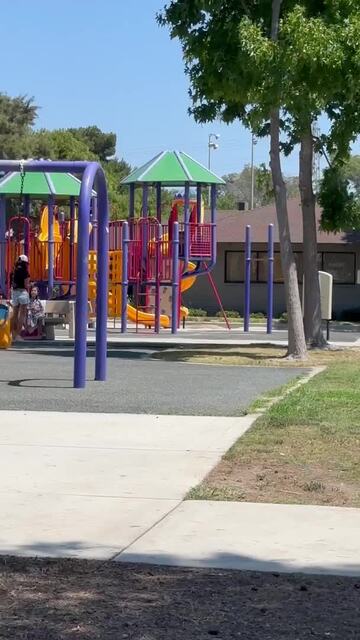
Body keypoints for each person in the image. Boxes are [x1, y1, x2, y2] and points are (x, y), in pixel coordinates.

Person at [10, 255, 30, 341]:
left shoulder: (13, 271)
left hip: (14, 293)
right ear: (25, 263)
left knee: (14, 314)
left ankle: (12, 334)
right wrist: (32, 285)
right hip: (22, 293)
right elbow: (26, 285)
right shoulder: (25, 272)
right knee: (22, 315)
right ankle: (17, 335)